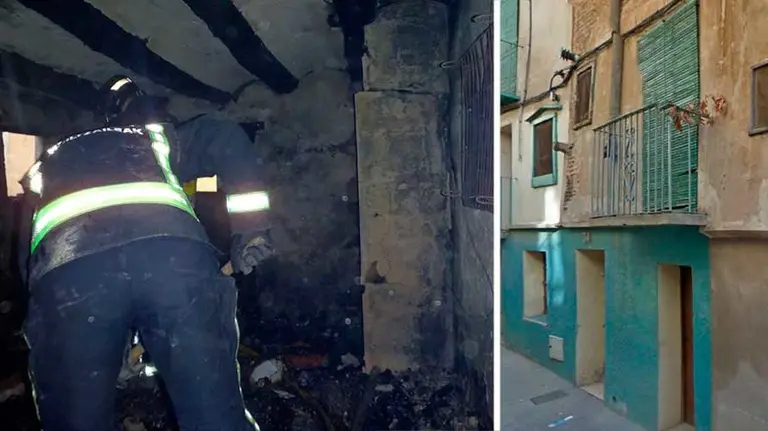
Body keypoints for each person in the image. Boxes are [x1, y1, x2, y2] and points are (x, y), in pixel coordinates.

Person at [17, 75, 273, 431]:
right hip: (174, 261)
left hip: (69, 278)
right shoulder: (154, 139)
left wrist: (68, 322)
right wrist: (250, 232)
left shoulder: (48, 162)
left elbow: (26, 256)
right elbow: (225, 137)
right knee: (215, 417)